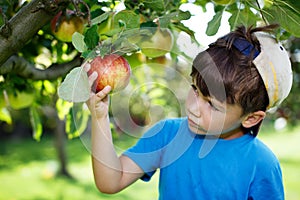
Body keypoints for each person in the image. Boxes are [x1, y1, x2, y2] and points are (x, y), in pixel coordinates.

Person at [85, 24, 293, 199]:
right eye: (195, 89)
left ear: (251, 118)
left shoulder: (261, 163)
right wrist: (100, 116)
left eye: (212, 105)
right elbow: (111, 181)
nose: (193, 108)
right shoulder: (168, 135)